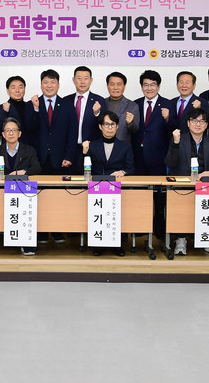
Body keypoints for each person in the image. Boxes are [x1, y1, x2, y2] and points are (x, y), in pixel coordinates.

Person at [165, 107, 209, 256]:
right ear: (188, 123)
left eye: (202, 121)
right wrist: (175, 144)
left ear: (206, 125)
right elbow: (170, 163)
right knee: (180, 202)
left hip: (205, 187)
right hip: (183, 187)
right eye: (194, 121)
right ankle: (181, 239)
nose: (198, 124)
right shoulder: (179, 140)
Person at [0, 117, 42, 256]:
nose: (11, 133)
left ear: (19, 133)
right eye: (8, 130)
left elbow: (37, 168)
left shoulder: (29, 150)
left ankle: (26, 241)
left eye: (14, 130)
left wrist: (23, 172)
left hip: (22, 192)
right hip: (0, 192)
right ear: (3, 134)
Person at [30, 69, 75, 245]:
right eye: (46, 82)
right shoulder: (33, 104)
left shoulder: (67, 105)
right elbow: (29, 129)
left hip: (60, 159)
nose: (49, 85)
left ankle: (56, 230)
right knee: (38, 196)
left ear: (58, 84)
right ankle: (41, 232)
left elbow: (72, 133)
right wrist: (35, 109)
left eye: (53, 82)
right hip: (38, 159)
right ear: (41, 84)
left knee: (57, 196)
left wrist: (69, 156)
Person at [81, 111, 135, 257]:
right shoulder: (92, 146)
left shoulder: (125, 146)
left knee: (117, 214)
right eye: (106, 124)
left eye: (113, 124)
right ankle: (99, 244)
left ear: (117, 127)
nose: (110, 128)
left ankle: (118, 244)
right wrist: (84, 153)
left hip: (117, 190)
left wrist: (123, 172)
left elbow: (131, 168)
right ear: (100, 126)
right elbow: (83, 170)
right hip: (96, 190)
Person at [132, 70, 172, 236]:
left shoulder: (168, 104)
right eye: (146, 85)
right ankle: (141, 227)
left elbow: (175, 129)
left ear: (159, 86)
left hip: (159, 157)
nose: (149, 88)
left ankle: (159, 229)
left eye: (153, 85)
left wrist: (168, 119)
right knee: (140, 194)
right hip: (138, 156)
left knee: (159, 196)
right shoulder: (135, 104)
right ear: (142, 87)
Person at [64, 65, 106, 172]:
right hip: (70, 151)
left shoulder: (99, 100)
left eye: (86, 78)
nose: (82, 82)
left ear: (91, 80)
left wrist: (97, 113)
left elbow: (104, 126)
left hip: (91, 151)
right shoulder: (66, 100)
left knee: (90, 180)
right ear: (74, 80)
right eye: (79, 78)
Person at [0, 75, 37, 146]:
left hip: (30, 149)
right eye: (13, 87)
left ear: (24, 89)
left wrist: (36, 109)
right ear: (8, 91)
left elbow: (35, 128)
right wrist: (4, 112)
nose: (17, 90)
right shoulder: (0, 109)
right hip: (10, 149)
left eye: (20, 87)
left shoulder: (31, 106)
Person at [104, 71, 139, 143]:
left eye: (119, 84)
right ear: (107, 86)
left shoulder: (133, 106)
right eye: (112, 84)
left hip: (122, 146)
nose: (115, 87)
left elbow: (135, 130)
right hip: (102, 145)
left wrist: (130, 123)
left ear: (124, 86)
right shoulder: (101, 103)